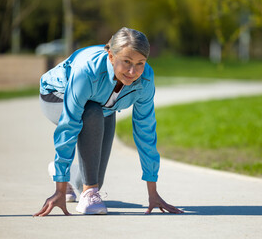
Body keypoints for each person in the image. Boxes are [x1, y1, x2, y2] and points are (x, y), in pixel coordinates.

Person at [34, 27, 184, 216]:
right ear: (111, 56)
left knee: (91, 178)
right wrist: (59, 190)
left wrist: (152, 194)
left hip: (102, 106)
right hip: (55, 95)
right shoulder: (86, 71)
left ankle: (78, 182)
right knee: (93, 112)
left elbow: (145, 132)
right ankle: (87, 193)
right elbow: (68, 127)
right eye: (127, 62)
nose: (132, 71)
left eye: (140, 63)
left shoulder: (145, 79)